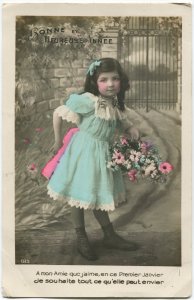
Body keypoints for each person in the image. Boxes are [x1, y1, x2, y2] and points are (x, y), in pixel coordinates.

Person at [45, 58, 140, 261]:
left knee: (98, 193)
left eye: (115, 79)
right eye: (104, 79)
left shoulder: (115, 103)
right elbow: (57, 113)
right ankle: (81, 237)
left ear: (120, 81)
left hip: (102, 153)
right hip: (83, 152)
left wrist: (131, 128)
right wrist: (57, 141)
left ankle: (109, 235)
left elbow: (123, 121)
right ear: (95, 82)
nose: (110, 84)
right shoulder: (88, 101)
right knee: (78, 196)